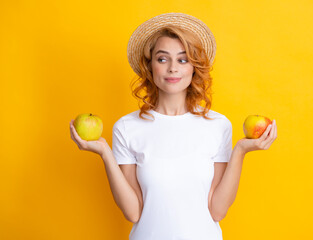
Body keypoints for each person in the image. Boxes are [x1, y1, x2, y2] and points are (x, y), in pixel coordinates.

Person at [70, 12, 277, 240]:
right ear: (150, 67)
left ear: (194, 67)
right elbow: (134, 212)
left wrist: (240, 151)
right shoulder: (127, 128)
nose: (172, 68)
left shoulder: (218, 125)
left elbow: (217, 210)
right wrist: (105, 153)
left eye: (182, 59)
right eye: (162, 59)